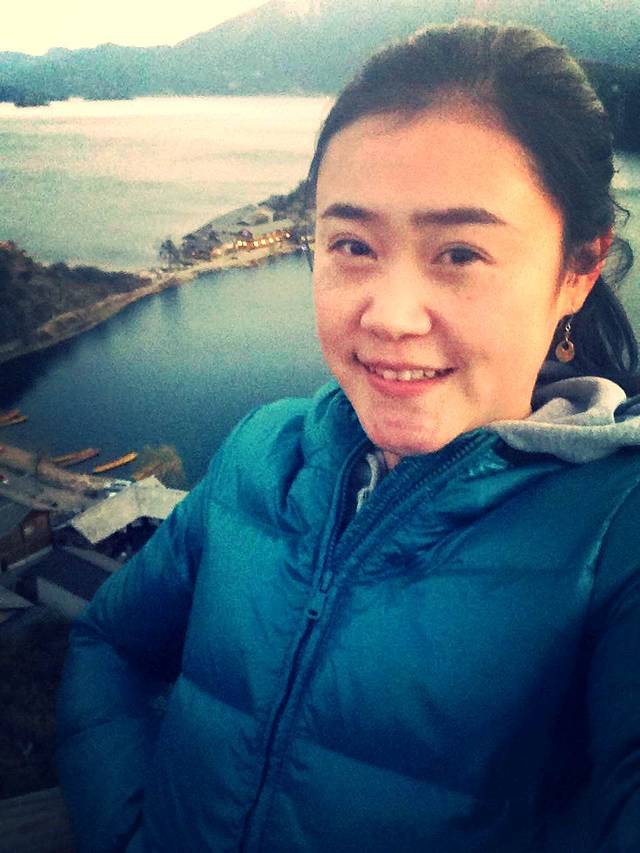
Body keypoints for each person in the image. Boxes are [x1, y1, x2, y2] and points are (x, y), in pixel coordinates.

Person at [56, 20, 640, 853]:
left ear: (576, 270)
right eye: (353, 244)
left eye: (460, 253)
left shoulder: (614, 541)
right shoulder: (262, 454)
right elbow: (109, 640)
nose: (391, 316)